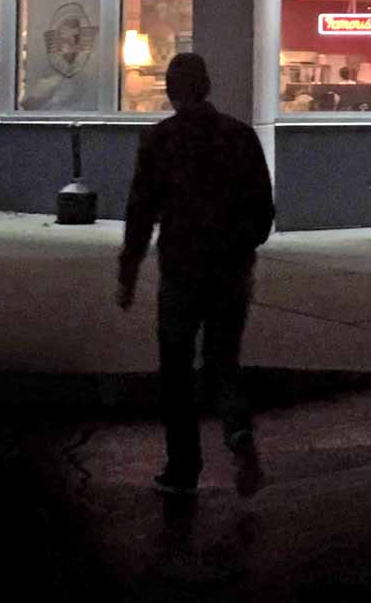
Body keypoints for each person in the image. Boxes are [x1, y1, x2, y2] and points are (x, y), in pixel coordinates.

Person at [117, 53, 276, 500]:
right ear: (207, 85)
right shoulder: (241, 137)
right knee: (223, 363)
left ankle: (183, 466)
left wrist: (128, 271)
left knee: (176, 368)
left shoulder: (159, 140)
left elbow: (141, 211)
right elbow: (263, 211)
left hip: (181, 269)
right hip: (230, 271)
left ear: (171, 89)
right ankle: (238, 433)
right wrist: (240, 247)